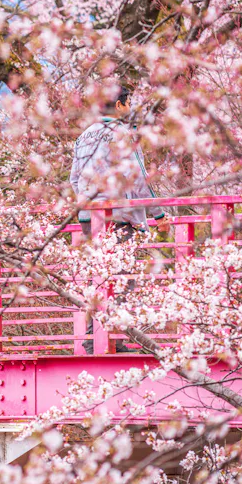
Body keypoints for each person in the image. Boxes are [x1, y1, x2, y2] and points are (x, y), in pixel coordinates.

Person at [70, 88, 167, 353]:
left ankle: (93, 340)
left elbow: (74, 179)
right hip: (119, 217)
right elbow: (138, 179)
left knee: (98, 278)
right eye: (128, 103)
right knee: (122, 277)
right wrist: (158, 214)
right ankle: (112, 340)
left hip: (90, 216)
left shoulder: (84, 136)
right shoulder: (122, 134)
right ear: (119, 105)